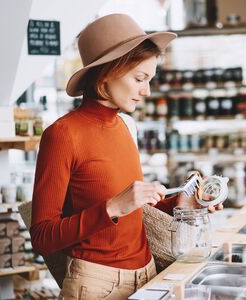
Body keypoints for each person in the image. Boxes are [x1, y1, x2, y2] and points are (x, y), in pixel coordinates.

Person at [30, 14, 222, 300]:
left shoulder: (126, 126)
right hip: (95, 284)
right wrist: (110, 208)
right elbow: (42, 237)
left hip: (147, 275)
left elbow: (131, 214)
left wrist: (178, 204)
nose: (146, 91)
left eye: (149, 79)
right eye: (139, 78)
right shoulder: (62, 134)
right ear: (108, 73)